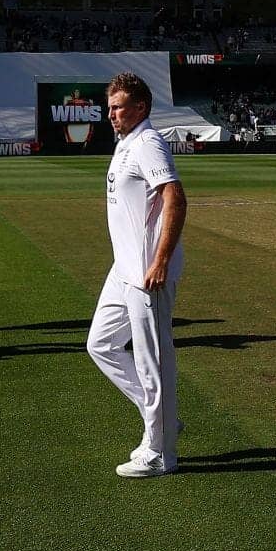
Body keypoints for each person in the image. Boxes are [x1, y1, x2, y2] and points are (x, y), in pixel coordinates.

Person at [87, 72, 188, 479]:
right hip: (123, 268)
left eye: (118, 107)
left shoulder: (148, 143)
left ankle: (162, 452)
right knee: (101, 345)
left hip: (148, 270)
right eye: (109, 107)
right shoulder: (126, 142)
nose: (111, 114)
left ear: (140, 108)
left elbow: (175, 197)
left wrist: (161, 259)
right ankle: (163, 420)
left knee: (153, 361)